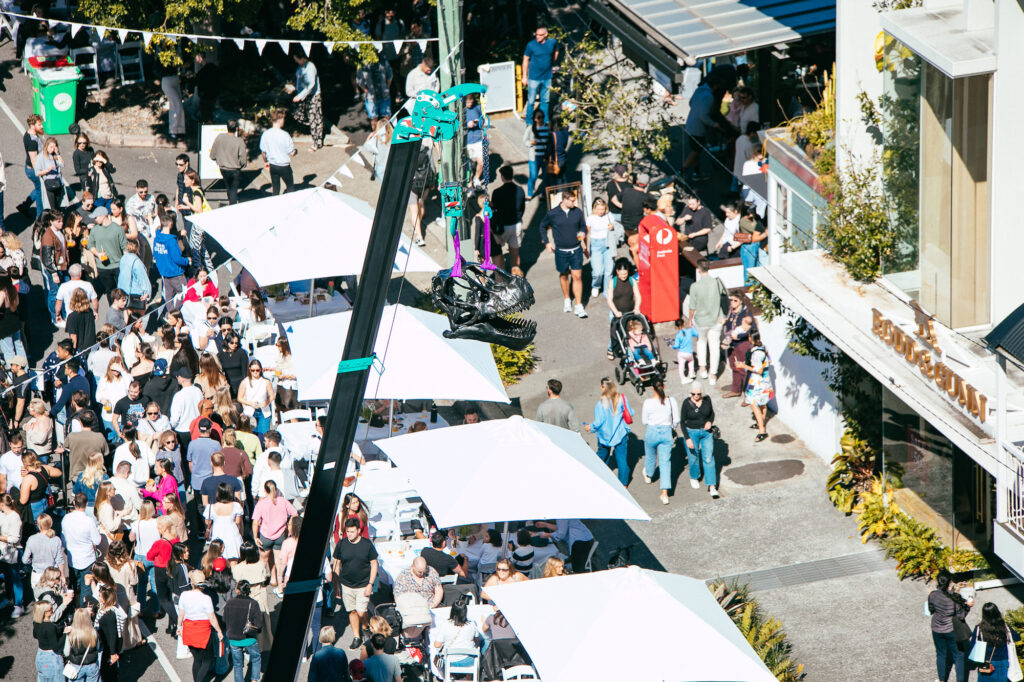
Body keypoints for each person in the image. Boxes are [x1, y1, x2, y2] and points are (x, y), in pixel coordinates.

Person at [540, 189, 588, 318]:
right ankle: (567, 299)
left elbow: (583, 226)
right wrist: (546, 242)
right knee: (564, 275)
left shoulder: (577, 212)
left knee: (577, 276)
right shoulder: (553, 213)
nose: (574, 202)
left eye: (574, 200)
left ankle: (578, 305)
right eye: (572, 200)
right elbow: (542, 226)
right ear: (564, 200)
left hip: (576, 250)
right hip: (561, 251)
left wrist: (583, 232)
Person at [332, 518, 378, 649]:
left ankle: (365, 628)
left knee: (362, 611)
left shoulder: (367, 545)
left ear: (358, 531)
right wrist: (336, 585)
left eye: (352, 531)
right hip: (346, 585)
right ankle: (357, 636)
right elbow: (336, 565)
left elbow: (374, 564)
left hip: (363, 584)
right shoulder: (341, 544)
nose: (350, 534)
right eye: (348, 532)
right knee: (352, 611)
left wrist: (370, 584)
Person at [686, 259, 727, 385]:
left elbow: (692, 306)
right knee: (715, 346)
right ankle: (713, 375)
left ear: (699, 269)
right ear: (708, 268)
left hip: (701, 321)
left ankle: (703, 368)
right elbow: (724, 298)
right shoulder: (716, 282)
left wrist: (689, 320)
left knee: (702, 342)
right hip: (716, 319)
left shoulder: (695, 286)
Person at [180, 569, 225, 682]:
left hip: (189, 629)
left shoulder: (184, 595)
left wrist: (179, 627)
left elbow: (181, 614)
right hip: (203, 631)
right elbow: (212, 618)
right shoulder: (206, 599)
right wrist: (219, 631)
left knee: (197, 660)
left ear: (192, 583)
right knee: (207, 661)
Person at [586, 377, 632, 486]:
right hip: (620, 434)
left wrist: (590, 427)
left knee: (602, 456)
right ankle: (624, 483)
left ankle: (599, 474)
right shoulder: (620, 399)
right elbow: (630, 412)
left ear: (603, 388)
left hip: (604, 436)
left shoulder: (601, 404)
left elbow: (598, 422)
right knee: (622, 460)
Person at [641, 379, 679, 505]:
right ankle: (664, 493)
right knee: (665, 462)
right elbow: (676, 420)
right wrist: (672, 427)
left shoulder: (647, 403)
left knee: (650, 455)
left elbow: (644, 421)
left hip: (652, 431)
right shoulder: (671, 401)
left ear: (652, 388)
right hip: (666, 432)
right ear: (664, 386)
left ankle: (649, 474)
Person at [928, 569, 970, 682]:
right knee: (959, 655)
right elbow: (961, 615)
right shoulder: (954, 598)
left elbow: (931, 610)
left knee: (941, 654)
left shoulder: (933, 595)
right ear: (950, 582)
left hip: (936, 629)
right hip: (951, 630)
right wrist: (968, 606)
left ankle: (942, 679)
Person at [232, 541, 273, 651]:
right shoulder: (260, 565)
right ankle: (261, 646)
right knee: (261, 625)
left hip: (245, 599)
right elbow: (264, 580)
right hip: (259, 597)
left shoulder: (238, 568)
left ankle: (246, 648)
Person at [734, 330, 773, 442]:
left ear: (751, 338)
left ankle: (762, 430)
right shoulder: (764, 347)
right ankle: (760, 422)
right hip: (765, 381)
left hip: (757, 382)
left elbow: (758, 370)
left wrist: (743, 365)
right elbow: (768, 362)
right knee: (763, 403)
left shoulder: (756, 353)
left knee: (753, 404)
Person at [682, 382, 719, 498]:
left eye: (698, 394)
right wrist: (687, 438)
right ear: (690, 393)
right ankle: (694, 476)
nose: (696, 396)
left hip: (706, 433)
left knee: (708, 458)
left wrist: (710, 422)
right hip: (692, 432)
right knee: (694, 456)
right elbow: (682, 422)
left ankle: (712, 485)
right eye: (693, 394)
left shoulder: (707, 400)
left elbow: (711, 414)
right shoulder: (686, 403)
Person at [63, 493, 102, 598]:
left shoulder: (66, 519)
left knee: (73, 586)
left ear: (74, 502)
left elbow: (63, 539)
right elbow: (97, 541)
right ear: (86, 504)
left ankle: (71, 611)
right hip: (87, 558)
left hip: (72, 558)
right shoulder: (89, 521)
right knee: (86, 588)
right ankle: (84, 611)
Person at [968, 602, 1020, 682]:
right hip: (1003, 662)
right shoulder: (1005, 627)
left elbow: (972, 646)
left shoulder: (980, 629)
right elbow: (1017, 638)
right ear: (997, 612)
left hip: (986, 663)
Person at [431, 595, 481, 675]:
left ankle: (449, 676)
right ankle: (468, 679)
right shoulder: (472, 624)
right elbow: (475, 640)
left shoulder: (446, 624)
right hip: (469, 660)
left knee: (436, 658)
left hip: (450, 660)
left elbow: (437, 645)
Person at [224, 579, 263, 682]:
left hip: (233, 638)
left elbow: (225, 619)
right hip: (249, 638)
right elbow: (259, 625)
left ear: (237, 590)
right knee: (255, 659)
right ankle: (254, 680)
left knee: (237, 665)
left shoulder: (230, 602)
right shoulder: (253, 603)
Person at [522, 26, 559, 123]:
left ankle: (544, 121)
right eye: (536, 34)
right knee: (531, 101)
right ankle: (529, 122)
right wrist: (524, 76)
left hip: (547, 77)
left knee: (545, 101)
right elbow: (525, 59)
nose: (537, 37)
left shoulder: (552, 42)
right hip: (534, 78)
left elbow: (556, 51)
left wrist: (552, 64)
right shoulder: (531, 45)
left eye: (540, 35)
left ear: (546, 35)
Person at [208, 120, 248, 205]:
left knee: (228, 188)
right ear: (236, 128)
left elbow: (212, 155)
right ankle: (232, 207)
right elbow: (243, 159)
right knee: (233, 190)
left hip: (223, 168)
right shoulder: (239, 141)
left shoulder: (220, 137)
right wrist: (241, 165)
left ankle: (230, 201)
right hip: (235, 169)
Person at [292, 51, 324, 152]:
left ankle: (317, 142)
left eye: (297, 59)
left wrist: (300, 96)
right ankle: (313, 133)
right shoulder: (300, 67)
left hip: (312, 95)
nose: (296, 61)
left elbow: (311, 84)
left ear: (302, 58)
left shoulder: (310, 67)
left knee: (315, 118)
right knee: (300, 114)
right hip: (303, 95)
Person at [259, 109, 296, 195]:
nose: (284, 121)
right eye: (283, 119)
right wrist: (296, 151)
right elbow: (292, 152)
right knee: (290, 187)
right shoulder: (285, 135)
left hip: (273, 166)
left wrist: (266, 162)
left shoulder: (265, 134)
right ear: (279, 120)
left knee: (275, 189)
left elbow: (263, 152)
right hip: (284, 166)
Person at [153, 215, 189, 303]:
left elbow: (155, 254)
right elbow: (177, 259)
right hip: (176, 273)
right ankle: (178, 314)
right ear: (170, 224)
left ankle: (169, 315)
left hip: (164, 273)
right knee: (184, 295)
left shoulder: (157, 238)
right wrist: (187, 260)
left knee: (168, 297)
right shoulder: (171, 241)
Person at [586, 197, 615, 298]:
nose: (601, 212)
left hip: (608, 244)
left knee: (609, 270)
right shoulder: (591, 218)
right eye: (598, 209)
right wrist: (586, 248)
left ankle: (607, 290)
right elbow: (588, 233)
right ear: (595, 208)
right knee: (597, 271)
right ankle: (596, 285)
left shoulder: (609, 216)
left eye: (602, 209)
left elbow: (615, 227)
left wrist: (612, 227)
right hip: (596, 245)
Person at [0, 493, 23, 616]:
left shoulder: (15, 518)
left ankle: (19, 604)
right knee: (8, 577)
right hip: (4, 551)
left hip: (14, 551)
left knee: (15, 579)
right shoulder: (3, 515)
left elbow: (14, 539)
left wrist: (1, 537)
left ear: (3, 504)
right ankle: (9, 599)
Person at [33, 598, 67, 681]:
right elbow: (56, 647)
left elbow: (35, 635)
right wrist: (65, 634)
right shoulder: (50, 627)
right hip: (52, 659)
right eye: (50, 609)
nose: (52, 611)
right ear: (44, 612)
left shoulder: (36, 623)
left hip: (40, 656)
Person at [19, 114, 45, 219]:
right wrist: (39, 173)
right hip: (33, 170)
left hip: (31, 168)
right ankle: (39, 216)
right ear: (32, 125)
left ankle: (25, 205)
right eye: (39, 124)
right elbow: (34, 161)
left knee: (38, 188)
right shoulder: (32, 141)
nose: (42, 126)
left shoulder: (29, 134)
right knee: (40, 192)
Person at [64, 607, 101, 682]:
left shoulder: (71, 634)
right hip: (92, 665)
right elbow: (98, 648)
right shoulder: (94, 632)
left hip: (76, 666)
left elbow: (66, 652)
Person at [237, 360, 273, 434]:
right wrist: (250, 403)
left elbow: (272, 395)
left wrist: (266, 403)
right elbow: (239, 398)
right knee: (251, 434)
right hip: (250, 411)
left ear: (261, 370)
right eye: (253, 370)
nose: (255, 372)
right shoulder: (245, 382)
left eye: (257, 370)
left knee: (264, 435)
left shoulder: (266, 382)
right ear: (250, 370)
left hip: (264, 411)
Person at [355, 59, 393, 128]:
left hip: (384, 94)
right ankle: (376, 135)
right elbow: (359, 80)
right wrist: (365, 90)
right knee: (373, 119)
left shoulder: (383, 61)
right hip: (371, 97)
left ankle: (388, 135)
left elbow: (390, 75)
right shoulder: (362, 65)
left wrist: (387, 87)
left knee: (387, 117)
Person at [34, 136, 66, 211]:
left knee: (58, 204)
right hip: (48, 183)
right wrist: (47, 171)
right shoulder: (40, 157)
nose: (53, 149)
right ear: (46, 146)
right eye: (51, 147)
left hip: (57, 182)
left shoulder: (54, 156)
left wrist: (57, 154)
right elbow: (37, 172)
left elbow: (62, 164)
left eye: (54, 147)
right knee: (52, 206)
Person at [523, 109, 549, 200]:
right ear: (534, 119)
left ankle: (543, 195)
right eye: (539, 117)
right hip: (534, 157)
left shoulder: (547, 127)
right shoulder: (530, 128)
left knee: (546, 177)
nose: (541, 119)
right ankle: (530, 193)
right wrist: (530, 142)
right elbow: (524, 140)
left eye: (542, 117)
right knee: (533, 176)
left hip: (545, 157)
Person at [465, 93, 486, 189]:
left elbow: (483, 121)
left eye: (471, 102)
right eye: (468, 102)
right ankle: (469, 184)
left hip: (477, 139)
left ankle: (476, 179)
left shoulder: (477, 108)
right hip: (467, 141)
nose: (469, 104)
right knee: (467, 165)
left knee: (481, 162)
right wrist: (466, 125)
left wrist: (477, 122)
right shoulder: (462, 110)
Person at [670, 317, 699, 384]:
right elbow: (696, 334)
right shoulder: (689, 331)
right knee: (691, 361)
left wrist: (672, 346)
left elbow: (676, 346)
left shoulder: (678, 335)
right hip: (689, 353)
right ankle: (691, 373)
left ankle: (683, 379)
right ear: (684, 323)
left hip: (681, 353)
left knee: (681, 366)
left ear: (676, 327)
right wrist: (692, 327)